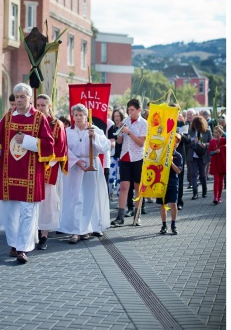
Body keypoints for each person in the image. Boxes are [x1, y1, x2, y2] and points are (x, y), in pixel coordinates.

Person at [0, 83, 54, 264]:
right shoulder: (8, 118)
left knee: (27, 212)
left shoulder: (39, 118)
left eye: (22, 96)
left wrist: (27, 140)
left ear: (30, 98)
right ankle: (14, 244)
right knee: (10, 213)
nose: (19, 100)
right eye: (16, 96)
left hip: (30, 174)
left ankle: (23, 248)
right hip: (9, 173)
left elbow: (48, 145)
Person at [59, 103, 110, 243]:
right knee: (76, 198)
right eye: (76, 115)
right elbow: (63, 149)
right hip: (75, 167)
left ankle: (90, 227)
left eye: (81, 115)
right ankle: (76, 230)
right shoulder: (68, 132)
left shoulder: (94, 129)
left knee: (90, 197)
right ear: (73, 117)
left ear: (86, 116)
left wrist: (95, 137)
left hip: (91, 165)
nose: (78, 118)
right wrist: (76, 161)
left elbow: (105, 146)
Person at [35, 94, 68, 250]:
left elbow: (60, 147)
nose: (40, 108)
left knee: (47, 203)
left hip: (49, 168)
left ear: (49, 106)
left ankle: (44, 235)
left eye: (43, 105)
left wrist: (47, 162)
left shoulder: (57, 124)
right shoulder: (33, 122)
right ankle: (33, 232)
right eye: (38, 105)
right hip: (33, 168)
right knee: (33, 202)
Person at [110, 99, 147, 227]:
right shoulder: (126, 122)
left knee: (137, 187)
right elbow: (119, 142)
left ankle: (137, 215)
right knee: (124, 186)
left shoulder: (144, 123)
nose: (129, 113)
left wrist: (129, 132)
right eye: (128, 110)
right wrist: (120, 131)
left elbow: (141, 143)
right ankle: (120, 216)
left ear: (139, 110)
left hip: (138, 158)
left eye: (132, 110)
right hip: (125, 157)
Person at [158, 134, 183, 235]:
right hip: (162, 183)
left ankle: (173, 224)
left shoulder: (178, 156)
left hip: (173, 182)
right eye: (173, 141)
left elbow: (178, 171)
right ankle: (164, 225)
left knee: (173, 203)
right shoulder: (162, 153)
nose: (175, 143)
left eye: (177, 142)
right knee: (163, 204)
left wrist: (171, 162)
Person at [189, 116, 211, 200]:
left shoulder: (207, 131)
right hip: (193, 156)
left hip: (202, 156)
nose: (195, 127)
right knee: (194, 174)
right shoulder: (190, 131)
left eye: (197, 125)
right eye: (194, 125)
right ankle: (195, 193)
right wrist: (192, 142)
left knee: (202, 175)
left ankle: (204, 191)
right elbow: (187, 144)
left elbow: (211, 142)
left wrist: (205, 145)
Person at [208, 126, 226, 204]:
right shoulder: (212, 141)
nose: (215, 134)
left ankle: (219, 197)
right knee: (216, 180)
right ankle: (215, 197)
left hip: (222, 162)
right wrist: (215, 152)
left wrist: (222, 132)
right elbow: (209, 152)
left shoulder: (224, 140)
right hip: (215, 163)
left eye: (216, 132)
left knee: (221, 181)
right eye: (214, 132)